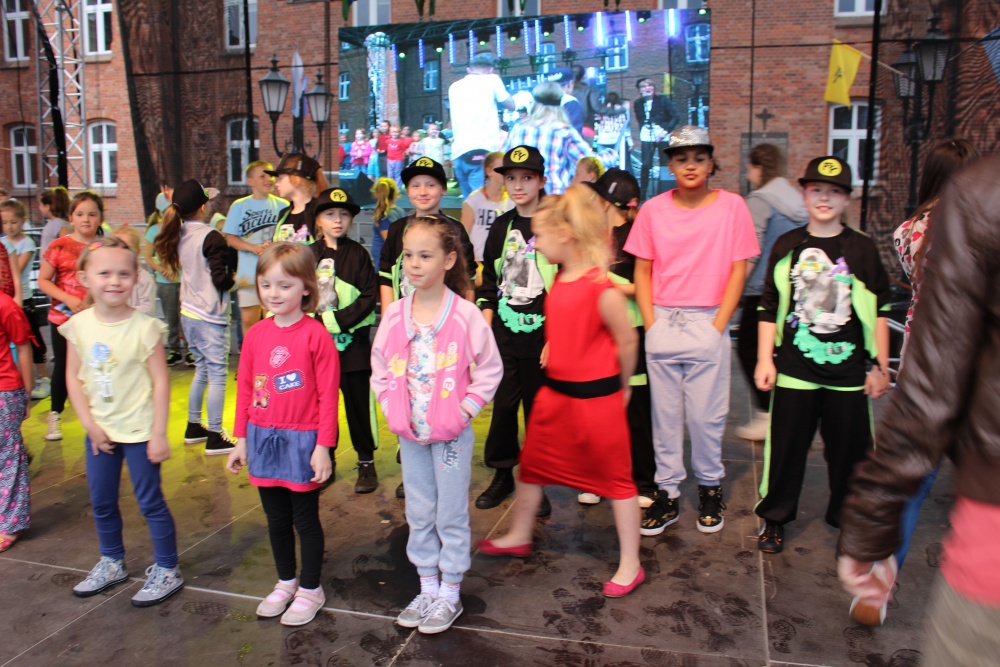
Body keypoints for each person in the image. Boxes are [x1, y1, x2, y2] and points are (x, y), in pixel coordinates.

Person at [837, 152, 1000, 665]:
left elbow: (931, 396)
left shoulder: (931, 221)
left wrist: (867, 528)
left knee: (918, 474)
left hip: (942, 357)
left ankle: (883, 571)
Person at [479, 185, 643, 597]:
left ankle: (631, 562)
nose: (534, 243)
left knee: (618, 481)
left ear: (565, 234)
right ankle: (520, 532)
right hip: (557, 396)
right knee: (532, 467)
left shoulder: (600, 287)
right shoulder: (562, 279)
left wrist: (623, 387)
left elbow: (627, 340)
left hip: (595, 400)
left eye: (539, 234)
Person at [371, 216, 502, 634]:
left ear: (448, 260)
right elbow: (379, 367)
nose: (414, 264)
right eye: (408, 255)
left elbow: (490, 369)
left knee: (450, 513)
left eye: (425, 255)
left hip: (451, 438)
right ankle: (427, 586)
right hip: (410, 434)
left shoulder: (464, 315)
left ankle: (450, 592)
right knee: (419, 509)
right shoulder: (395, 315)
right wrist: (391, 407)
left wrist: (463, 411)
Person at [754, 156, 890, 554]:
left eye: (834, 191)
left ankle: (849, 519)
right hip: (795, 370)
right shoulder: (788, 246)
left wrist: (880, 365)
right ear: (804, 194)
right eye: (817, 190)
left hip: (847, 373)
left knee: (852, 455)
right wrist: (765, 359)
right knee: (785, 450)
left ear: (848, 198)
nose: (825, 198)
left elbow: (880, 310)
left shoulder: (861, 248)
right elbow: (767, 305)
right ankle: (775, 517)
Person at [626, 126, 758, 536]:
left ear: (711, 163)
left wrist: (719, 324)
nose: (690, 166)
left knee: (706, 417)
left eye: (699, 158)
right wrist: (651, 323)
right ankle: (667, 493)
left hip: (708, 319)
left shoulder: (732, 206)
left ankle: (710, 488)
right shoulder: (653, 210)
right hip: (664, 318)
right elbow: (642, 270)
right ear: (670, 165)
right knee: (664, 417)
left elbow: (739, 269)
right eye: (682, 158)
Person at [62, 237, 182, 606]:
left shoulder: (145, 328)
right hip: (99, 431)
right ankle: (112, 561)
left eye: (123, 274)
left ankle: (168, 568)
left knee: (150, 502)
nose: (114, 281)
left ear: (135, 278)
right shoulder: (78, 325)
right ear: (85, 277)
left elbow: (161, 382)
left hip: (140, 432)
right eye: (104, 274)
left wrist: (158, 434)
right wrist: (89, 425)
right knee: (101, 501)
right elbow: (73, 378)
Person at [226, 242, 337, 626]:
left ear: (306, 287)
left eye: (285, 285)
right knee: (275, 520)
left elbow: (328, 396)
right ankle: (286, 581)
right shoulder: (256, 334)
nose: (274, 293)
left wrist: (323, 447)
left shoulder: (316, 336)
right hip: (261, 439)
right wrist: (241, 439)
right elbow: (245, 388)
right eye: (266, 284)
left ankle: (311, 588)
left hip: (302, 441)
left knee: (304, 520)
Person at [474, 146, 555, 512]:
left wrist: (556, 337)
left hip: (542, 338)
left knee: (539, 411)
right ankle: (503, 473)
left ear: (541, 180)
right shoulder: (502, 226)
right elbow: (490, 282)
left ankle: (537, 482)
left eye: (527, 178)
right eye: (511, 178)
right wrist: (485, 332)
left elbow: (564, 283)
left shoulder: (554, 224)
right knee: (504, 407)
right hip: (504, 336)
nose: (518, 185)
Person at [584, 168, 657, 508]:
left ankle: (644, 482)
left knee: (636, 412)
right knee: (599, 407)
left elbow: (644, 286)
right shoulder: (594, 235)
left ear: (607, 201)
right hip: (598, 331)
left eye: (598, 196)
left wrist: (605, 281)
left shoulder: (636, 234)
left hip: (631, 330)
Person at [154, 180, 236, 455]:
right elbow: (221, 279)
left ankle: (194, 426)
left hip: (188, 312)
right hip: (210, 315)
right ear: (203, 206)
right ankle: (215, 434)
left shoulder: (179, 233)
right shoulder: (210, 236)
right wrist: (235, 280)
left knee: (202, 370)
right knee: (217, 375)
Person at [735, 144, 808, 441]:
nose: (748, 175)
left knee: (748, 349)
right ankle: (786, 416)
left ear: (758, 168)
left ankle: (768, 414)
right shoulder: (797, 200)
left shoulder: (760, 200)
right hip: (795, 290)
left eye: (749, 168)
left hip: (762, 291)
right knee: (785, 354)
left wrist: (733, 290)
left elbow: (751, 251)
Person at [312, 188, 379, 494]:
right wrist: (315, 327)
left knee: (358, 406)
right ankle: (325, 460)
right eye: (330, 214)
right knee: (321, 407)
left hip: (353, 347)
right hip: (318, 350)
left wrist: (335, 321)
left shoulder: (359, 254)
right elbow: (301, 294)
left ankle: (366, 461)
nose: (337, 220)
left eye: (343, 214)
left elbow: (368, 297)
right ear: (318, 220)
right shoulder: (308, 255)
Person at [38, 191, 105, 441]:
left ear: (100, 218)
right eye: (80, 214)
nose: (86, 219)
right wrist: (68, 298)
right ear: (71, 218)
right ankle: (55, 414)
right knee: (64, 367)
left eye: (92, 214)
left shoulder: (105, 247)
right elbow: (43, 280)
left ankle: (99, 418)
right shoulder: (58, 246)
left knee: (99, 367)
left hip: (98, 320)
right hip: (62, 320)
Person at [378, 158, 476, 315]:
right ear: (408, 190)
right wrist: (388, 320)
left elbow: (468, 279)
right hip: (404, 318)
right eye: (415, 185)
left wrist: (466, 320)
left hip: (445, 318)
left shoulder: (456, 230)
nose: (423, 192)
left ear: (443, 189)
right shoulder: (397, 229)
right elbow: (386, 277)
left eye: (431, 185)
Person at [223, 161, 288, 342]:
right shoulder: (239, 206)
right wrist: (252, 247)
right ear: (250, 181)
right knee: (249, 320)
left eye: (271, 176)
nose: (268, 180)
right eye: (262, 176)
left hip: (276, 274)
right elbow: (230, 238)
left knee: (274, 320)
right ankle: (250, 355)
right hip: (249, 275)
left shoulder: (283, 205)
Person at [502, 82, 593, 195]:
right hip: (553, 197)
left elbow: (502, 159)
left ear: (535, 104)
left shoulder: (519, 129)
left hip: (523, 196)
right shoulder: (564, 132)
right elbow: (590, 162)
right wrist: (611, 155)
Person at [448, 53, 515, 198]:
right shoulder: (492, 81)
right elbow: (511, 105)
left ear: (469, 70)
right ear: (491, 70)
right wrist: (496, 79)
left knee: (470, 203)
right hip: (483, 150)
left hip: (459, 152)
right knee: (485, 204)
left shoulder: (454, 86)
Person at [0, 199, 48, 399]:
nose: (9, 226)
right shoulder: (5, 243)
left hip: (22, 301)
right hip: (7, 302)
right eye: (5, 223)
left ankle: (43, 378)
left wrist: (16, 302)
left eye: (13, 222)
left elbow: (15, 272)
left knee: (30, 340)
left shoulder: (23, 244)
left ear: (22, 221)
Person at [0, 288, 33, 553]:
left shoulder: (5, 305)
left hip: (5, 390)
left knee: (9, 456)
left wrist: (26, 394)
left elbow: (23, 347)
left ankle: (11, 523)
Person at [144, 191, 186, 366]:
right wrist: (162, 270)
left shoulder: (183, 229)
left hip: (184, 280)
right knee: (171, 318)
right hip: (165, 282)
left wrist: (178, 267)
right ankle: (175, 349)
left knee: (186, 317)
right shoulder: (154, 230)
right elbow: (148, 256)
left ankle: (191, 350)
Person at [459, 151, 513, 264]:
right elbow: (463, 237)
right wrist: (472, 264)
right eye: (501, 168)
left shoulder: (513, 201)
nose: (505, 172)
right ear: (489, 171)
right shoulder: (474, 200)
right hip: (478, 262)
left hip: (504, 262)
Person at [634, 77, 680, 200]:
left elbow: (675, 116)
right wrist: (644, 129)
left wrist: (665, 132)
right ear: (639, 90)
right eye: (644, 86)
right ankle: (643, 194)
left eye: (650, 85)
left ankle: (663, 192)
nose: (647, 88)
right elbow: (640, 119)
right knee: (646, 164)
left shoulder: (663, 100)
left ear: (654, 88)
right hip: (647, 134)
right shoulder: (638, 103)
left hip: (662, 133)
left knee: (664, 163)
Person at [268, 154, 327, 244]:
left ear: (296, 179)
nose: (276, 183)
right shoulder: (284, 214)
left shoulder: (319, 211)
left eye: (280, 178)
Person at [110, 225, 154, 315]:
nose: (120, 253)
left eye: (127, 248)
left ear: (138, 252)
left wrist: (120, 311)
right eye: (115, 248)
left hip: (135, 322)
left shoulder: (144, 279)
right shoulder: (107, 276)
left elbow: (148, 308)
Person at [371, 177, 405, 268]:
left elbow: (390, 243)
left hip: (385, 265)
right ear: (395, 193)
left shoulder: (385, 216)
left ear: (376, 194)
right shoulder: (400, 211)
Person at [38, 186, 71, 254]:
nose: (39, 208)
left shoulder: (59, 224)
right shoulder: (55, 223)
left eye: (40, 204)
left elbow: (67, 246)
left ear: (47, 206)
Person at [386, 125, 412, 192]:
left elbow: (404, 150)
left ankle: (398, 190)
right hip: (389, 160)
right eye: (393, 132)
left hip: (398, 160)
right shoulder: (387, 141)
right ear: (390, 133)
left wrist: (407, 152)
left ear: (399, 133)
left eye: (396, 132)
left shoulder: (401, 142)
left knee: (397, 175)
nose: (395, 134)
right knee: (390, 175)